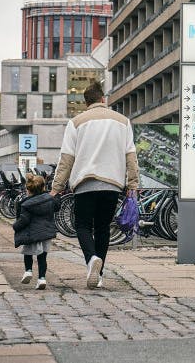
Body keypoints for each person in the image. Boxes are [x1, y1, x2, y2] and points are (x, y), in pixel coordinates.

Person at [51, 81, 138, 289]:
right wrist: (132, 183)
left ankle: (91, 260)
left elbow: (66, 159)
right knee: (102, 229)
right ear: (102, 99)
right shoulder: (123, 121)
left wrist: (56, 187)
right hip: (112, 184)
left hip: (85, 183)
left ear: (86, 102)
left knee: (82, 225)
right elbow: (131, 155)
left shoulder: (76, 122)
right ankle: (99, 276)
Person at [13, 173, 58, 290]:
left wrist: (16, 226)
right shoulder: (49, 200)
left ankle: (28, 271)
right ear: (43, 187)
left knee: (28, 253)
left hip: (31, 234)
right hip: (46, 234)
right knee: (42, 257)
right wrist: (55, 195)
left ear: (28, 189)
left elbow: (24, 220)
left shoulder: (26, 204)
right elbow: (57, 205)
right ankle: (42, 278)